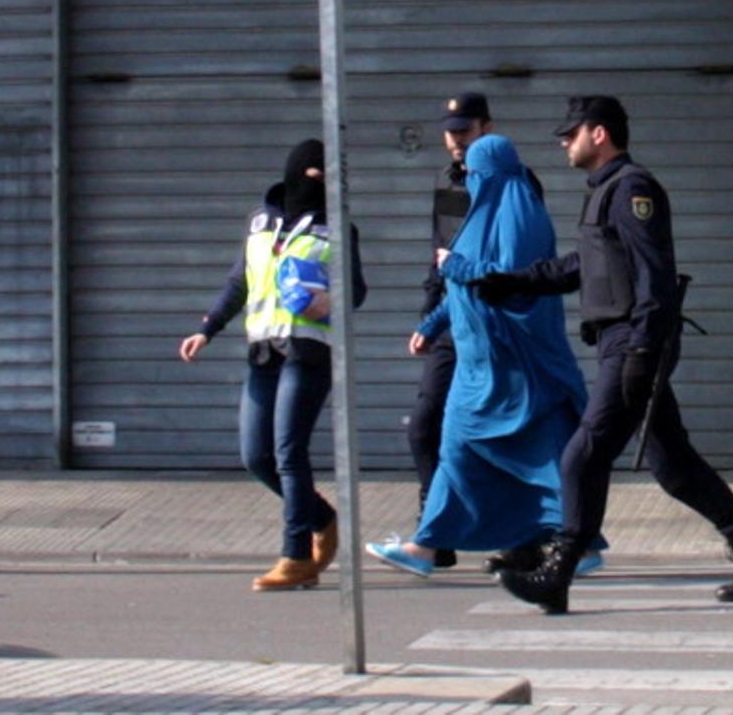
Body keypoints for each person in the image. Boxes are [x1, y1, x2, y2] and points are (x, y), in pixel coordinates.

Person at [474, 96, 733, 614]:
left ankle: (559, 572)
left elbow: (654, 274)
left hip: (633, 341)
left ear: (599, 134)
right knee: (675, 467)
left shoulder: (632, 189)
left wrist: (644, 346)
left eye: (571, 133)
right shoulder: (604, 193)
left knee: (582, 455)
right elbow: (586, 264)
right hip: (623, 340)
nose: (562, 142)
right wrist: (513, 281)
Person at [364, 134, 587, 578]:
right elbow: (462, 289)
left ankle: (577, 541)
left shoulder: (520, 219)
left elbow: (505, 281)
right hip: (479, 369)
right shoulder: (481, 218)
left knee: (525, 455)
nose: (470, 181)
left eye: (477, 173)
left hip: (513, 368)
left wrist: (455, 266)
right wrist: (431, 324)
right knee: (462, 450)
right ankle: (427, 546)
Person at [179, 139, 367, 592]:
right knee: (256, 456)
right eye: (314, 174)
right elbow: (239, 282)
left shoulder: (338, 226)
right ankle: (320, 517)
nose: (319, 184)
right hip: (263, 352)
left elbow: (356, 291)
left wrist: (333, 300)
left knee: (288, 451)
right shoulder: (260, 222)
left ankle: (296, 555)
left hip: (308, 351)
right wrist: (208, 327)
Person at [406, 91, 494, 570]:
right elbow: (437, 255)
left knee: (492, 433)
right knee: (424, 427)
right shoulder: (445, 181)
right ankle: (435, 535)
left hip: (492, 325)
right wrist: (428, 315)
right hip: (449, 321)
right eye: (451, 130)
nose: (456, 139)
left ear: (486, 127)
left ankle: (520, 532)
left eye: (465, 129)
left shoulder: (510, 180)